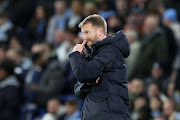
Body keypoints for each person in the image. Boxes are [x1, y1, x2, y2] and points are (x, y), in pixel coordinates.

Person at [69, 14, 131, 120]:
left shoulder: (110, 51)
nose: (84, 38)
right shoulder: (94, 55)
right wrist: (88, 83)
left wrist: (75, 55)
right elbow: (78, 91)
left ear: (100, 32)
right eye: (83, 33)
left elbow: (84, 75)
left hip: (110, 115)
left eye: (87, 32)